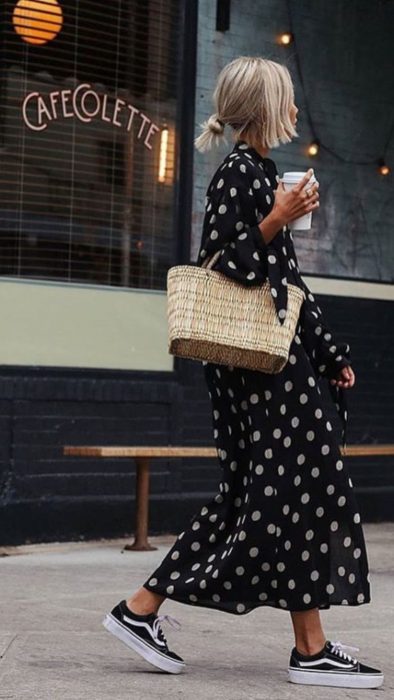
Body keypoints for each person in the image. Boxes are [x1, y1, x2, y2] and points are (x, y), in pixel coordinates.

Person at [103, 56, 384, 689]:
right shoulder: (238, 175)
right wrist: (277, 218)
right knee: (296, 489)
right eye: (285, 99)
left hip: (273, 365)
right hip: (256, 373)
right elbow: (229, 266)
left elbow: (287, 284)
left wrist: (331, 353)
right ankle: (302, 648)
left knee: (268, 496)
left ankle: (147, 611)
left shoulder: (258, 173)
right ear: (264, 107)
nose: (292, 110)